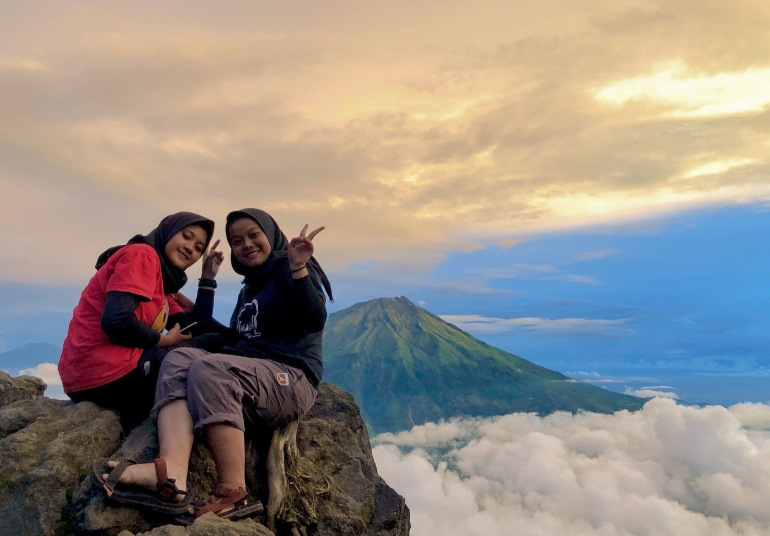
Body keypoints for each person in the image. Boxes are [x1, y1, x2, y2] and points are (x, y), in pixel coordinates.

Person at [96, 208, 332, 518]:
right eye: (237, 240)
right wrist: (207, 281)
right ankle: (170, 472)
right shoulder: (250, 288)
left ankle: (234, 494)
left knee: (210, 368)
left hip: (291, 377)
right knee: (180, 357)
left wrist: (299, 266)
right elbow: (227, 335)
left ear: (270, 235)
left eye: (253, 235)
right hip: (250, 375)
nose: (245, 244)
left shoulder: (290, 268)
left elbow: (314, 319)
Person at [59, 212, 224, 424]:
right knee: (208, 364)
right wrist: (164, 341)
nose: (190, 247)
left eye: (199, 247)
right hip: (106, 375)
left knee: (217, 341)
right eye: (186, 236)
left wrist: (208, 278)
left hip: (90, 380)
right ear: (168, 232)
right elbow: (116, 321)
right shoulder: (141, 255)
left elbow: (197, 326)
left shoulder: (161, 286)